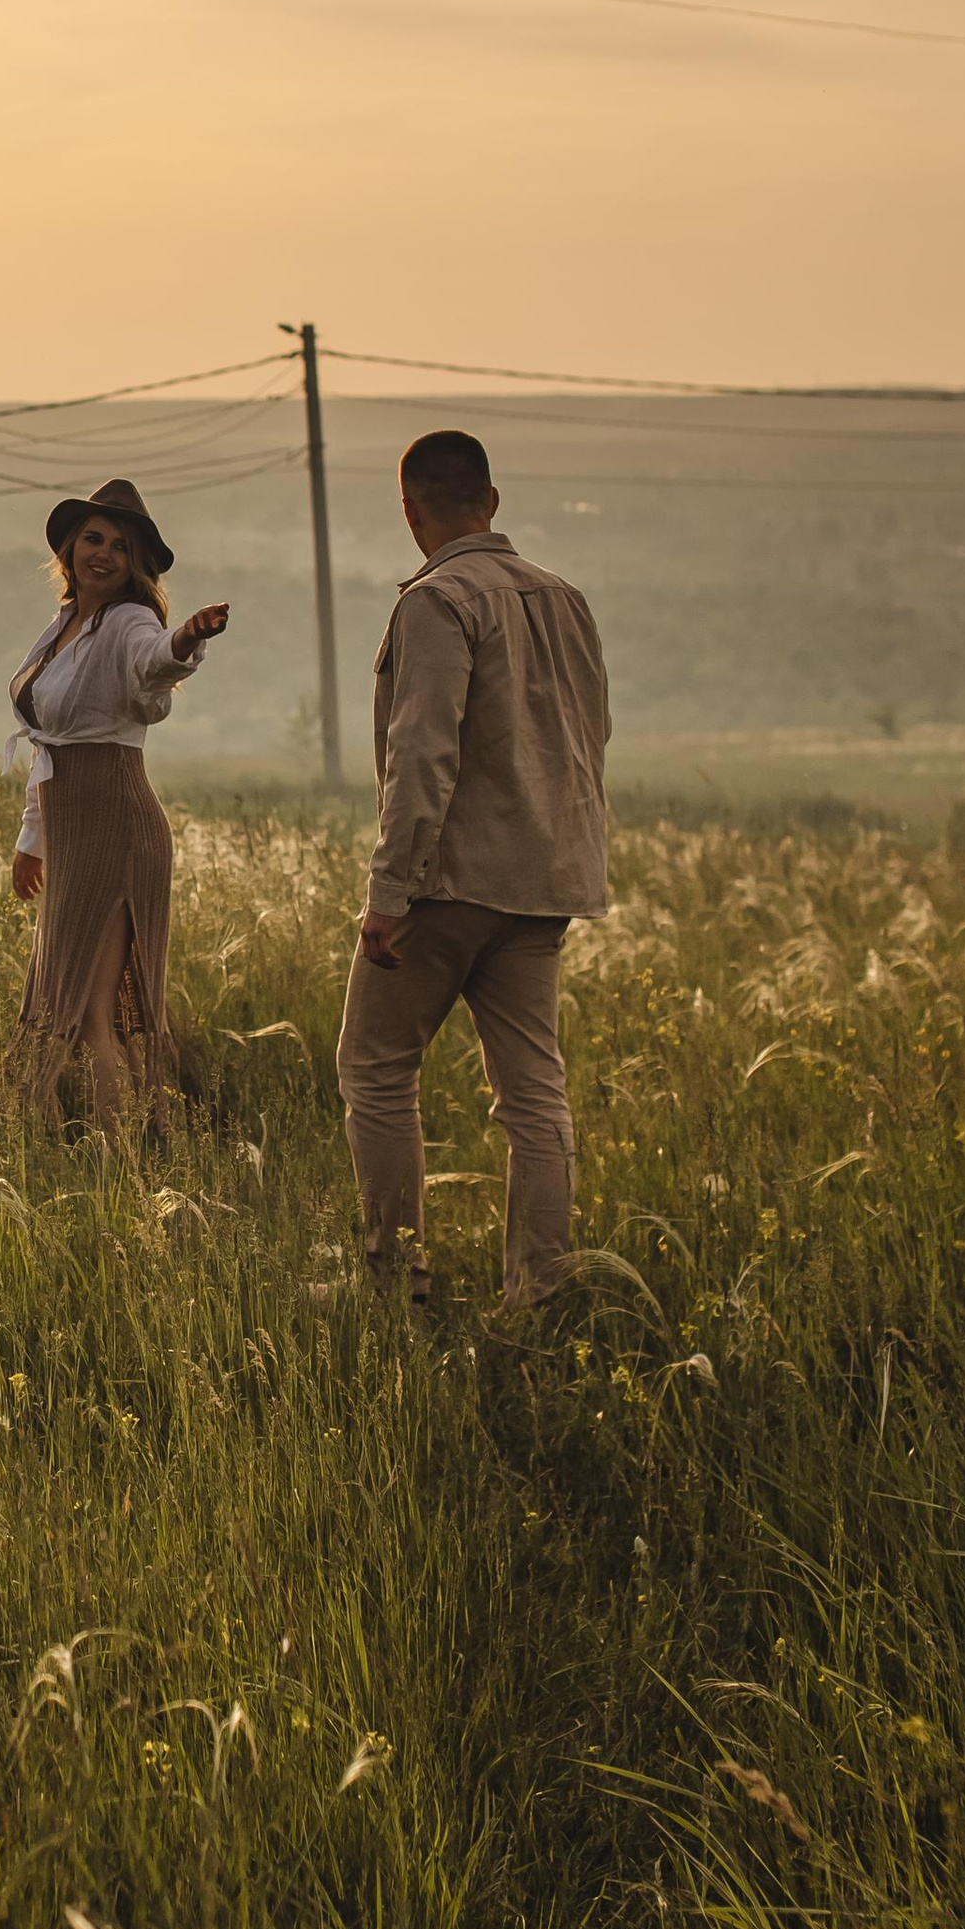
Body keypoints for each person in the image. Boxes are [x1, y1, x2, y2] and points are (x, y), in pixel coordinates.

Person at [332, 429, 609, 1308]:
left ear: (410, 511)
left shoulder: (436, 602)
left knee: (376, 1066)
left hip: (448, 883)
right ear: (492, 501)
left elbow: (421, 756)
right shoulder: (564, 599)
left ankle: (394, 1287)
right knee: (534, 1093)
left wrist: (390, 893)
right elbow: (589, 735)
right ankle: (541, 1292)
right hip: (544, 879)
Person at [9, 478, 231, 1130]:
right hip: (73, 831)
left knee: (90, 1010)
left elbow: (153, 662)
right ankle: (135, 1141)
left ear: (135, 565)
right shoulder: (62, 628)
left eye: (120, 546)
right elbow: (45, 743)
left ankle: (119, 1161)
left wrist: (187, 638)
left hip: (114, 823)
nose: (102, 553)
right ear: (70, 549)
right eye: (93, 539)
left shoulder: (130, 621)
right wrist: (33, 839)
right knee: (84, 1011)